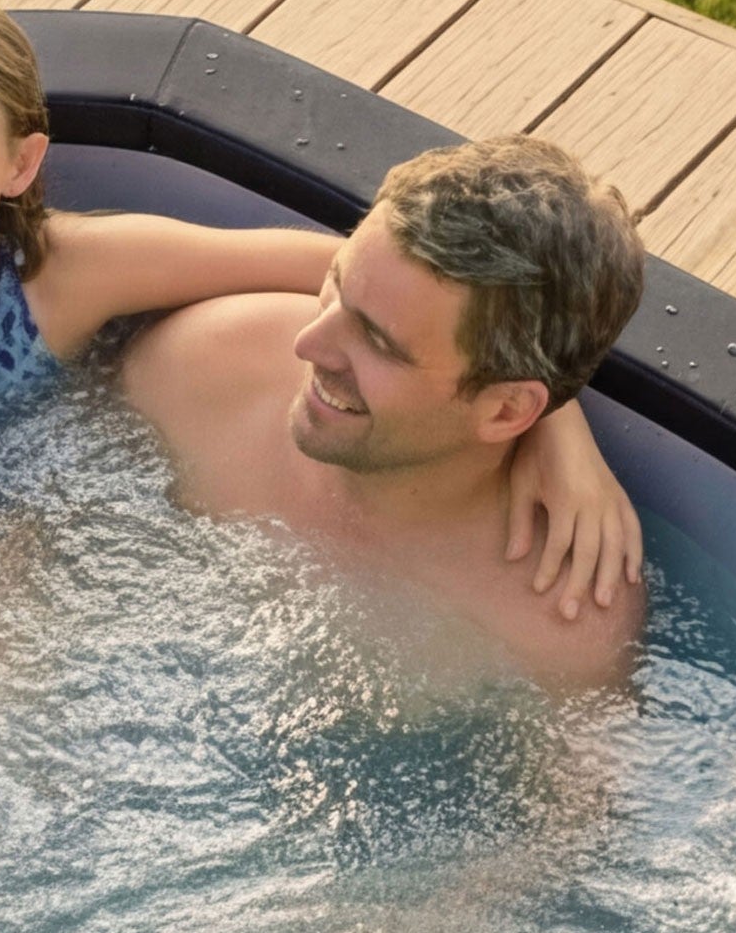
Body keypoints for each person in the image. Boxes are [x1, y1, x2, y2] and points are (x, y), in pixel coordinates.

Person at [0, 0, 640, 610]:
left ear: (21, 163)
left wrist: (561, 429)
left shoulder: (74, 275)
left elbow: (369, 275)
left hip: (19, 499)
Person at [116, 131, 652, 690]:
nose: (309, 345)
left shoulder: (556, 627)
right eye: (336, 285)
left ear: (506, 412)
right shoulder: (200, 371)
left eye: (377, 341)